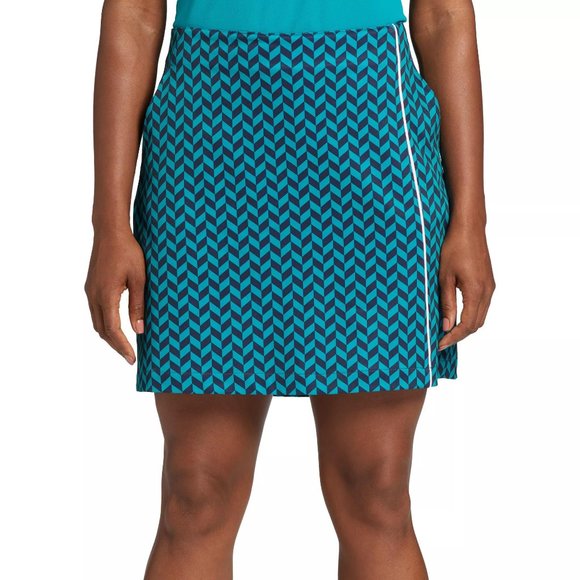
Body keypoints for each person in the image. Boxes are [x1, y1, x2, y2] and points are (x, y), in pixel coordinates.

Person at [85, 0, 495, 577]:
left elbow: (443, 16)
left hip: (371, 141)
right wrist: (109, 224)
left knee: (376, 490)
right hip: (205, 151)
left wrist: (470, 222)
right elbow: (134, 14)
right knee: (196, 491)